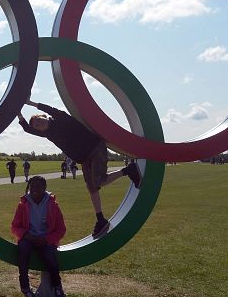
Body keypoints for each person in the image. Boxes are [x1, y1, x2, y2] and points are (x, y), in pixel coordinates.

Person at [18, 100, 141, 239]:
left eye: (39, 119)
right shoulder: (47, 133)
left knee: (99, 181)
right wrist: (18, 113)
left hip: (95, 148)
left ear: (44, 116)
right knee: (92, 188)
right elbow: (27, 129)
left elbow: (51, 109)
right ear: (39, 130)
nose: (39, 123)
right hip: (84, 159)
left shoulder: (60, 118)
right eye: (37, 125)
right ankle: (100, 219)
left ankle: (128, 170)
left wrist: (30, 103)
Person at [11, 175, 67, 297]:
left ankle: (57, 287)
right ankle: (25, 288)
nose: (34, 189)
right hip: (28, 238)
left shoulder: (52, 205)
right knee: (23, 252)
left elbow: (61, 230)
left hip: (46, 239)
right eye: (32, 187)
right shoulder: (23, 204)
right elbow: (15, 227)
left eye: (38, 187)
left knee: (49, 256)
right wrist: (26, 235)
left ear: (45, 187)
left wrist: (46, 239)